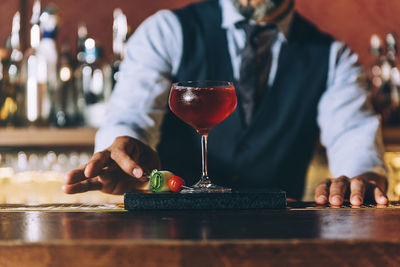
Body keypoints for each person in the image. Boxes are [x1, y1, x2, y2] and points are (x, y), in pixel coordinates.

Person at [64, 0, 388, 206]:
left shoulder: (333, 57)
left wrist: (362, 179)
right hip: (171, 241)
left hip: (279, 246)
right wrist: (125, 152)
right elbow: (131, 114)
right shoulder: (167, 32)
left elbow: (352, 132)